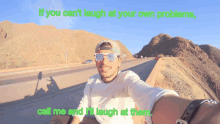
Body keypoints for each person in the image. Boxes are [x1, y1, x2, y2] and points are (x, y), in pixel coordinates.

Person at [71, 40, 220, 124]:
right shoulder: (92, 81)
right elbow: (82, 108)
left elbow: (149, 95)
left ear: (118, 61)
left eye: (110, 57)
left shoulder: (126, 79)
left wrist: (197, 112)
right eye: (99, 57)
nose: (104, 62)